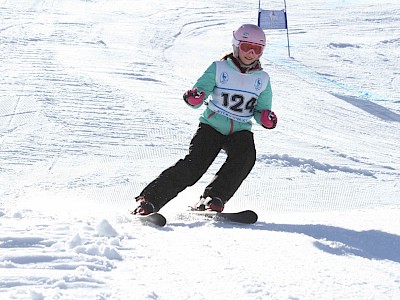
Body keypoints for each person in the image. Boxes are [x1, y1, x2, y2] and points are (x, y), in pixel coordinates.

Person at [133, 24, 277, 215]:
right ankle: (150, 200)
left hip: (240, 129)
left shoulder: (263, 79)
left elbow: (261, 109)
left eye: (256, 49)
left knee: (245, 158)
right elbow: (200, 91)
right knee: (195, 166)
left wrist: (266, 118)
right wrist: (196, 97)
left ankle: (213, 198)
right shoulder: (219, 68)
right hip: (212, 126)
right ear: (236, 46)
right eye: (246, 47)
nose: (250, 53)